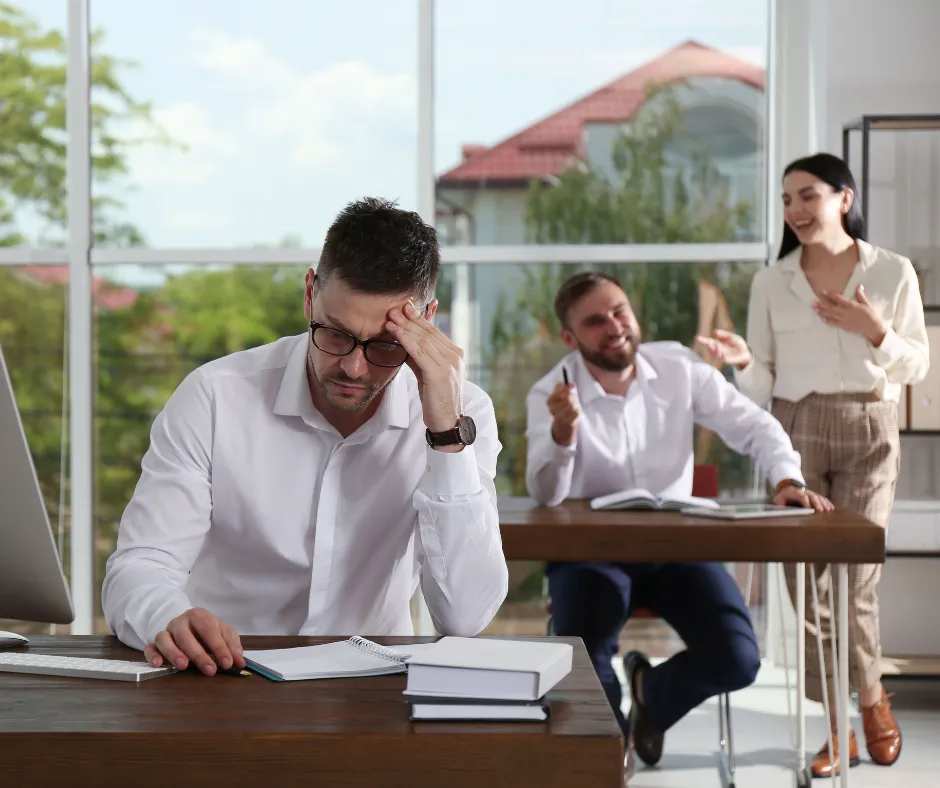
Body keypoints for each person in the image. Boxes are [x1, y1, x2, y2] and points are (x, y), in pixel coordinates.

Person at [102, 197, 509, 675]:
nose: (353, 368)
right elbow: (139, 565)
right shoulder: (214, 398)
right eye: (335, 334)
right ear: (310, 293)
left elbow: (465, 617)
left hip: (371, 687)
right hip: (223, 678)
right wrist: (167, 618)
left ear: (427, 320)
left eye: (384, 344)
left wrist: (445, 436)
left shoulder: (463, 413)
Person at [525, 271, 832, 770]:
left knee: (737, 657)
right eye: (596, 321)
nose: (615, 326)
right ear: (570, 338)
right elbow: (545, 493)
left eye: (620, 311)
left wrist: (786, 480)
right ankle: (606, 758)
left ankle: (652, 692)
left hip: (677, 549)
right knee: (583, 661)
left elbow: (753, 425)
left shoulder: (678, 367)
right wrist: (563, 434)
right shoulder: (550, 394)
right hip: (590, 553)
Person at [698, 152, 929, 777]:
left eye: (808, 196)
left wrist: (874, 329)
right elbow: (765, 384)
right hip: (796, 430)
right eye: (786, 200)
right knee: (807, 588)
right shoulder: (772, 282)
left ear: (843, 198)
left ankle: (873, 701)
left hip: (869, 428)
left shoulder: (892, 272)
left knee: (856, 584)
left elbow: (917, 368)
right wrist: (743, 360)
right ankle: (835, 726)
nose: (795, 210)